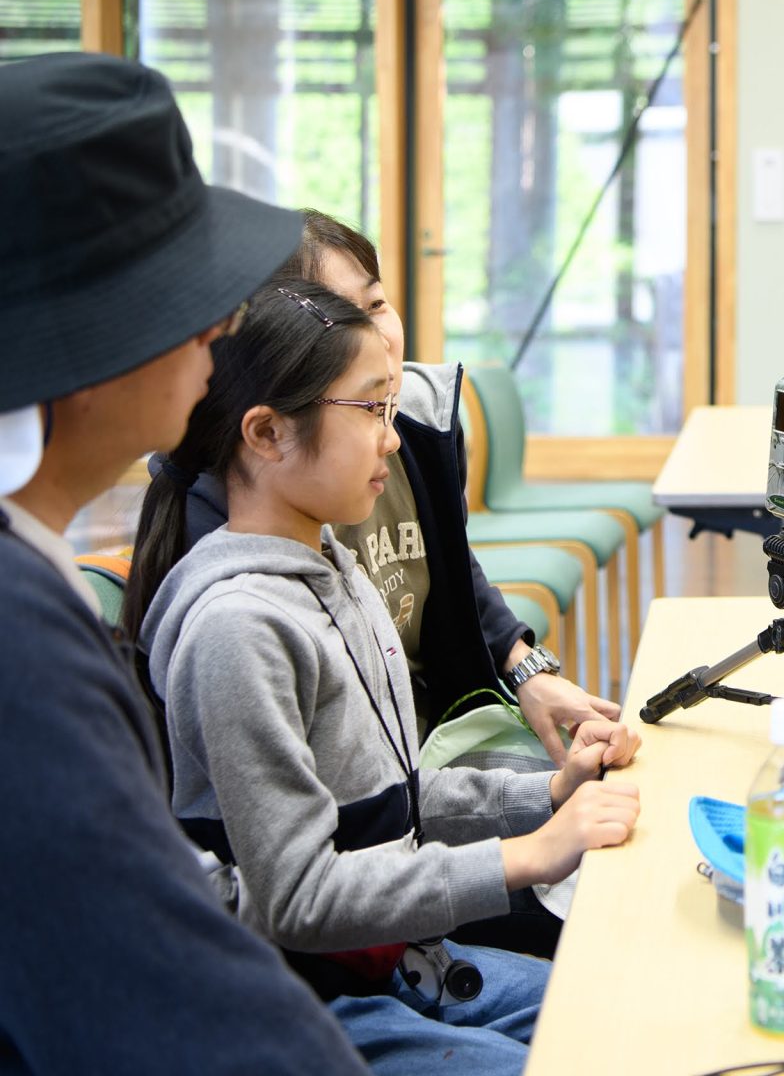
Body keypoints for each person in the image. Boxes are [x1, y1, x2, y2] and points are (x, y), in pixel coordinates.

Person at [123, 280, 642, 1071]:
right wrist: (530, 855)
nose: (393, 440)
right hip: (298, 1001)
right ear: (266, 433)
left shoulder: (334, 568)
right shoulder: (239, 630)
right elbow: (301, 899)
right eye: (372, 411)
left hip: (392, 964)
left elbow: (389, 798)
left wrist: (546, 793)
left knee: (625, 1020)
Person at [0, 51, 369, 1072]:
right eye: (182, 294)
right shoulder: (18, 641)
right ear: (78, 344)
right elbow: (163, 998)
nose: (218, 323)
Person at [146, 209, 618, 766]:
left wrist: (526, 671)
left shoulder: (411, 424)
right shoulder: (240, 526)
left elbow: (447, 563)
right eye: (341, 318)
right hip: (374, 776)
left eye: (376, 304)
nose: (380, 338)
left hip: (430, 735)